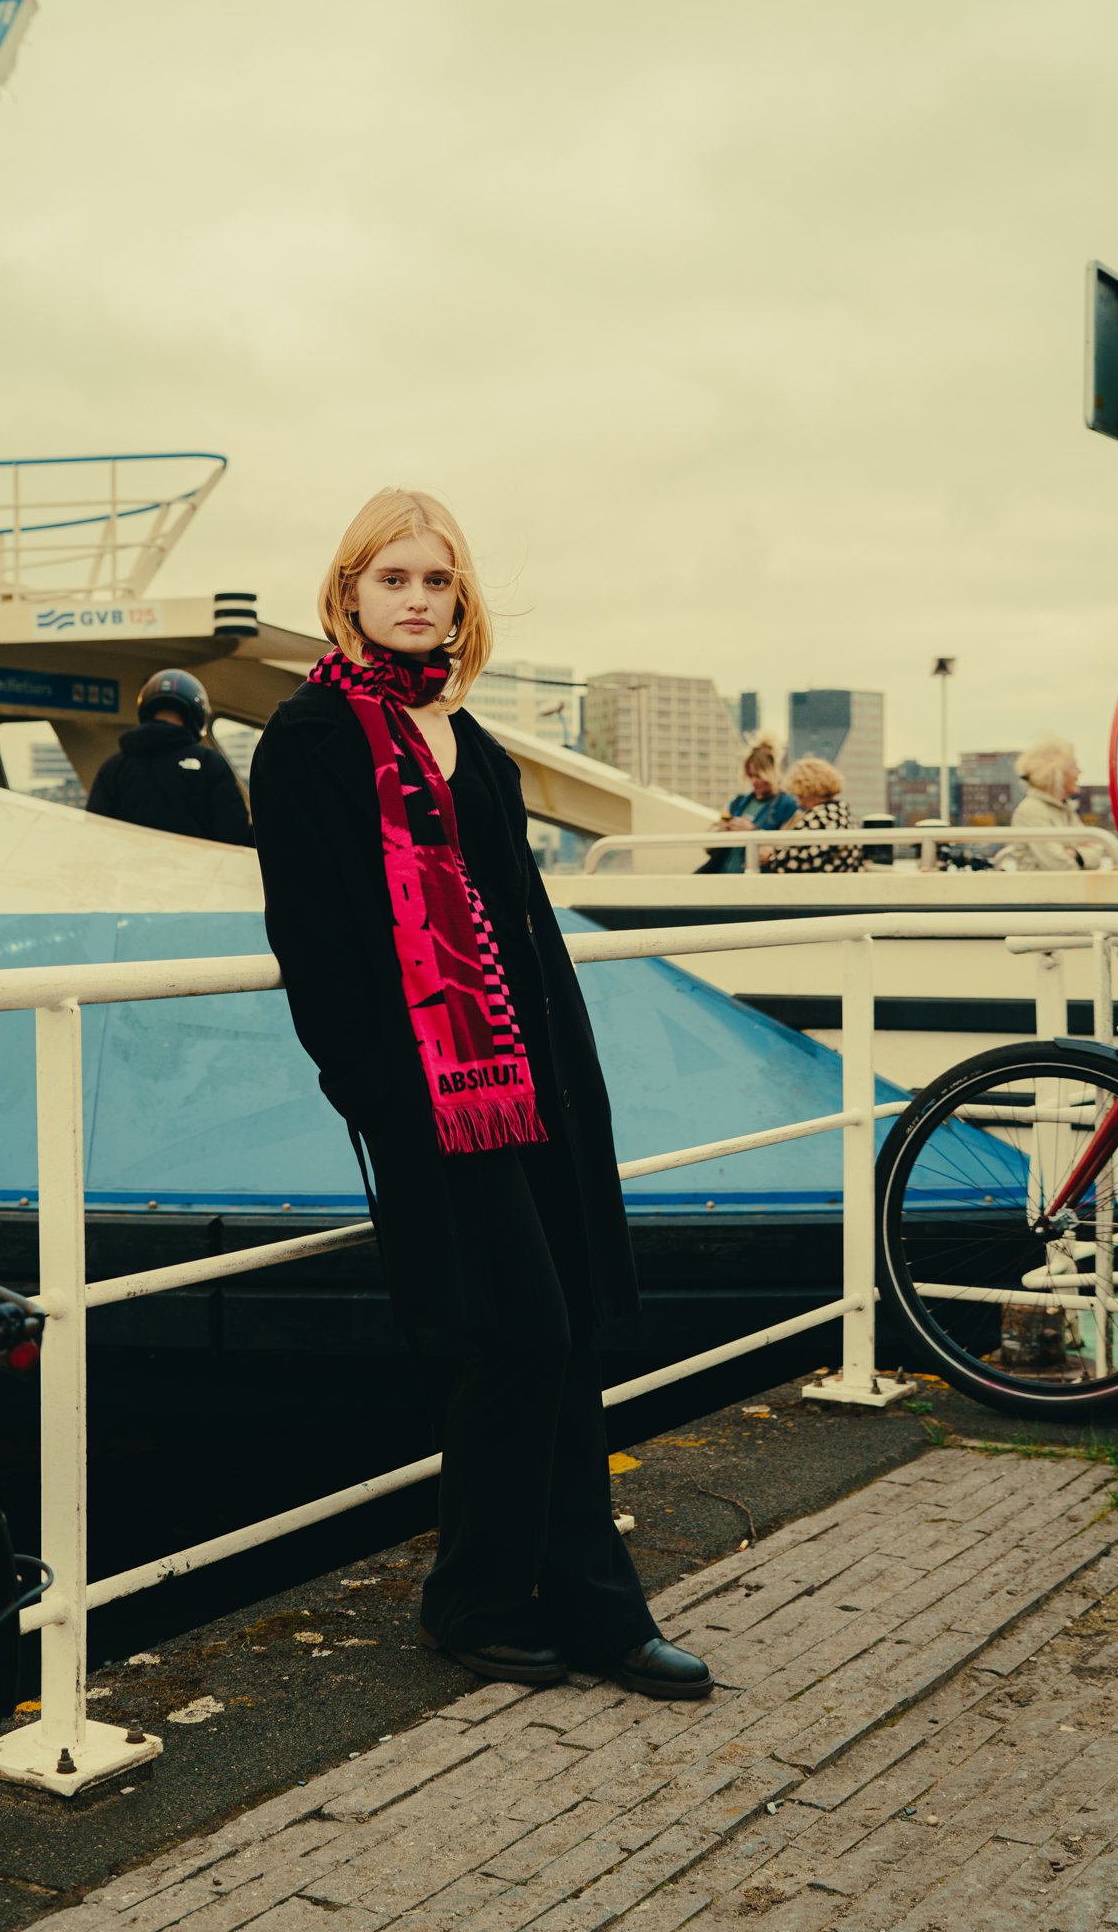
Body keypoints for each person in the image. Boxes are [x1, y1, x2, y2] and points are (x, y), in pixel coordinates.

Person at [250, 488, 712, 1702]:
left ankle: (590, 1606)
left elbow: (529, 938)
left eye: (436, 580)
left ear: (462, 598)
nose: (416, 598)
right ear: (348, 591)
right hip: (428, 1093)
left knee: (562, 1344)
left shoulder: (477, 747)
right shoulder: (307, 740)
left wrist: (572, 1086)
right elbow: (316, 944)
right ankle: (476, 1597)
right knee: (522, 1334)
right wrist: (386, 1095)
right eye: (393, 577)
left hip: (535, 1085)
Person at [86, 668, 253, 845]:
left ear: (146, 710)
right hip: (195, 871)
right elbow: (235, 835)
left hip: (127, 870)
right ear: (196, 713)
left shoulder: (113, 767)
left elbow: (96, 833)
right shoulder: (209, 763)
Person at [1005, 740, 1114, 871]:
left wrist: (1075, 854)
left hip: (1066, 888)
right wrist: (1081, 853)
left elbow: (1097, 854)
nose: (1079, 772)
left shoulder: (1065, 809)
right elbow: (1059, 865)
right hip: (1041, 889)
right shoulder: (1032, 810)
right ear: (1055, 774)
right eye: (1073, 767)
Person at [702, 737, 798, 873]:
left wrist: (754, 833)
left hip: (759, 881)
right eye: (750, 776)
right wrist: (724, 830)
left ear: (772, 773)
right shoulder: (736, 803)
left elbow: (790, 849)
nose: (754, 781)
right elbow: (708, 845)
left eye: (759, 776)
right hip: (722, 876)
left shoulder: (789, 806)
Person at [765, 756, 864, 873]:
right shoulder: (843, 813)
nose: (799, 802)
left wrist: (771, 857)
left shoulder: (821, 817)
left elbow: (800, 861)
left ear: (811, 790)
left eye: (800, 795)